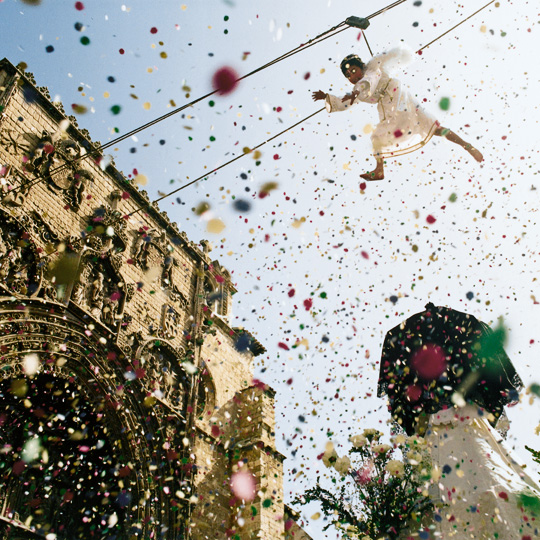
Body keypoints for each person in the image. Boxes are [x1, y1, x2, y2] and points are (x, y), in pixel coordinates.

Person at [312, 48, 483, 181]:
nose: (352, 76)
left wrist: (356, 93)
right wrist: (327, 97)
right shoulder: (357, 89)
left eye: (353, 70)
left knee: (381, 136)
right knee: (430, 127)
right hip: (398, 102)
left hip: (395, 98)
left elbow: (368, 81)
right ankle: (466, 145)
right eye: (348, 75)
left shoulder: (372, 69)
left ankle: (379, 170)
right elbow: (347, 101)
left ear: (361, 66)